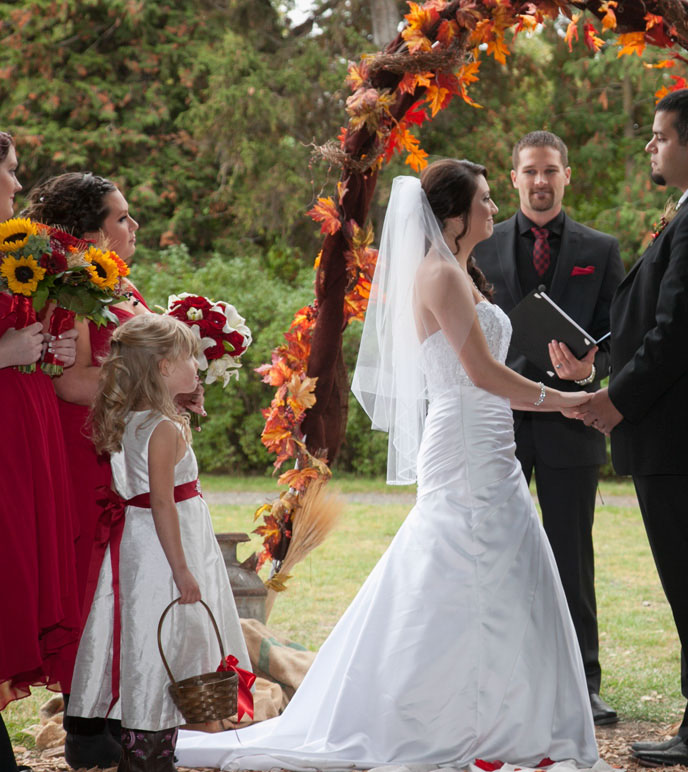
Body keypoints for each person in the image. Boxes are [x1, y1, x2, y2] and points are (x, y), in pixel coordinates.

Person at [176, 160, 604, 772]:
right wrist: (564, 401)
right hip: (464, 444)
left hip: (489, 444)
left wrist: (560, 384)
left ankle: (498, 718)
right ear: (453, 217)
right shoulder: (441, 276)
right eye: (483, 201)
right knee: (455, 570)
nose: (492, 209)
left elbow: (486, 370)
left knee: (501, 574)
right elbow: (481, 375)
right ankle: (439, 716)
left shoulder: (462, 272)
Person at [572, 88, 688, 768]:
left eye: (659, 136)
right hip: (686, 435)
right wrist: (601, 349)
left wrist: (614, 400)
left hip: (685, 436)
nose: (650, 147)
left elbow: (681, 333)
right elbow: (661, 314)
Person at [473, 131, 624, 726]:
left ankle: (583, 679)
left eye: (551, 171)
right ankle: (497, 675)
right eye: (530, 171)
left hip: (572, 421)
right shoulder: (479, 245)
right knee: (496, 551)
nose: (541, 181)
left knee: (571, 554)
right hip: (499, 420)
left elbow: (618, 332)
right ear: (513, 178)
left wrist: (593, 366)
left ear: (567, 176)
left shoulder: (600, 248)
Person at [67, 313, 249, 772]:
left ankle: (143, 747)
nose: (197, 364)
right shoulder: (164, 428)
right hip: (165, 548)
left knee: (146, 636)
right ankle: (150, 755)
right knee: (165, 638)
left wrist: (185, 409)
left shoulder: (138, 417)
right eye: (189, 356)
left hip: (139, 544)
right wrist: (183, 570)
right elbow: (164, 503)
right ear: (165, 367)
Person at [24, 172, 156, 769]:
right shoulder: (70, 287)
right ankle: (84, 719)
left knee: (123, 581)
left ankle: (115, 706)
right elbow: (71, 380)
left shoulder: (118, 284)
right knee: (88, 579)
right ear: (89, 229)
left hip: (128, 449)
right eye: (122, 217)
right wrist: (152, 387)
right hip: (87, 453)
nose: (133, 226)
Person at [0, 130, 80, 772]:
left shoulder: (12, 252)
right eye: (12, 171)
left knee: (16, 571)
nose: (19, 187)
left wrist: (41, 353)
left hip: (23, 432)